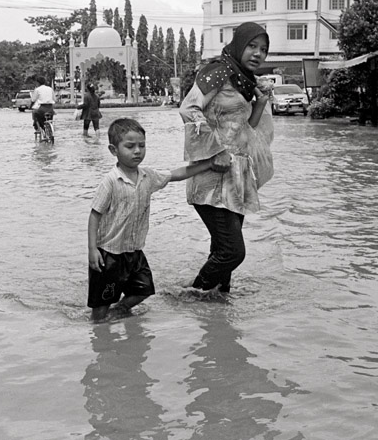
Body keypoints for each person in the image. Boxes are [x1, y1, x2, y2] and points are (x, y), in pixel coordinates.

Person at [178, 21, 274, 293]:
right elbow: (189, 109)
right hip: (211, 176)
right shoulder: (217, 72)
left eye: (264, 49)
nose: (258, 54)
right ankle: (190, 297)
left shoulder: (245, 81)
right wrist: (216, 150)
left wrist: (261, 103)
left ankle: (217, 318)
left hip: (235, 179)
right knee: (233, 253)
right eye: (252, 46)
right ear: (238, 45)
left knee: (222, 254)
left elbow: (246, 129)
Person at [87, 118, 215, 322]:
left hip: (134, 251)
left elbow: (177, 174)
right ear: (114, 150)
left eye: (142, 145)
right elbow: (95, 215)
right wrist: (92, 250)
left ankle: (121, 309)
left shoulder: (148, 176)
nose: (137, 151)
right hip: (108, 254)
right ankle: (100, 331)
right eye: (130, 146)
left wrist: (208, 164)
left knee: (144, 289)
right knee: (100, 306)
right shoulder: (110, 181)